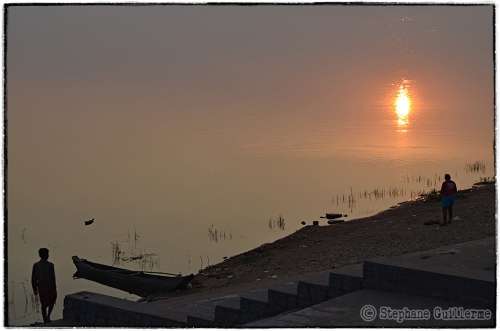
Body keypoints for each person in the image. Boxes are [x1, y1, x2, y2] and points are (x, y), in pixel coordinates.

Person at [31, 248, 57, 324]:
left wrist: (34, 288)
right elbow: (53, 278)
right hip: (48, 285)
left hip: (41, 286)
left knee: (44, 304)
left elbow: (33, 279)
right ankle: (47, 317)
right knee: (51, 301)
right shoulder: (50, 265)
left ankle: (46, 319)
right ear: (47, 255)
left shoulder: (36, 265)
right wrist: (54, 289)